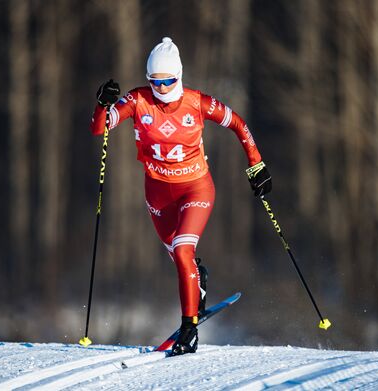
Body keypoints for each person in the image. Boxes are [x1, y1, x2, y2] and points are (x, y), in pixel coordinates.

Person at [90, 37, 271, 355]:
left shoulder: (197, 103)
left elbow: (239, 125)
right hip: (157, 193)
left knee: (183, 249)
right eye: (155, 82)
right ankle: (198, 282)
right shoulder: (137, 100)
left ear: (180, 76)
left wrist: (256, 165)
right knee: (178, 258)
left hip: (196, 188)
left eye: (169, 81)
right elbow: (100, 128)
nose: (161, 88)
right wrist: (102, 104)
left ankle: (189, 330)